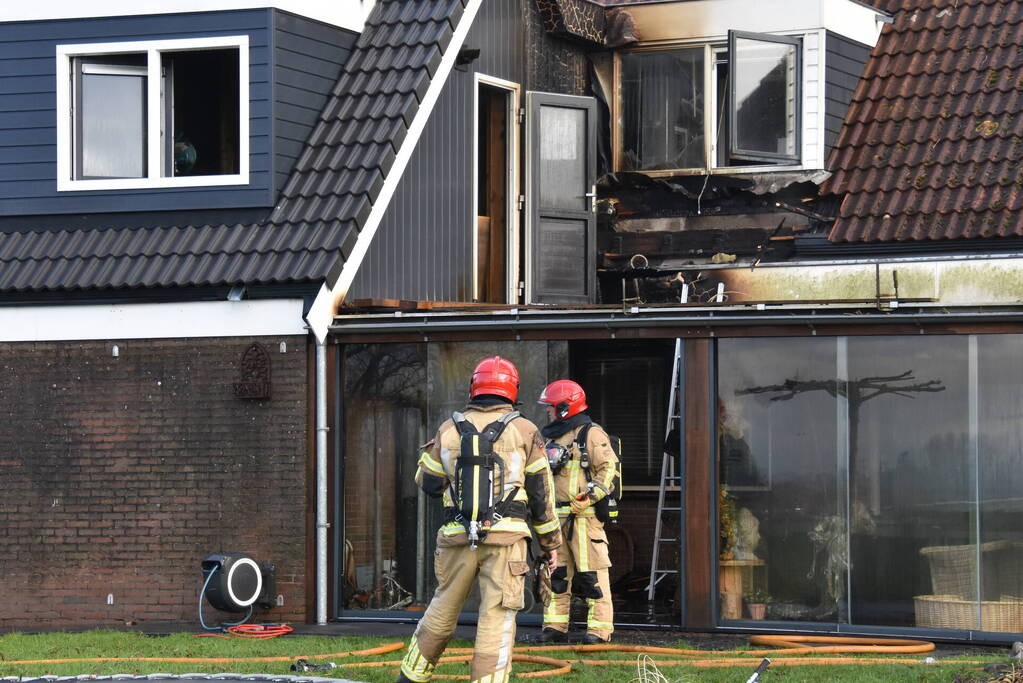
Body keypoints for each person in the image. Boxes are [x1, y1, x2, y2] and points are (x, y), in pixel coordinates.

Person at [398, 356, 562, 683]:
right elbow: (541, 493)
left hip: (456, 536)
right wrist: (550, 544)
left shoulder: (448, 428)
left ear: (474, 387)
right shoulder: (525, 430)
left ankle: (411, 676)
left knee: (442, 609)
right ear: (512, 390)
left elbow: (428, 483)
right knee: (497, 618)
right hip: (507, 541)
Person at [536, 379, 618, 644]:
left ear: (564, 407)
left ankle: (599, 631)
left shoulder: (591, 434)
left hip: (584, 518)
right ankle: (555, 627)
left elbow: (609, 469)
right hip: (557, 518)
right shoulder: (549, 436)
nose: (547, 410)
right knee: (557, 574)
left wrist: (590, 496)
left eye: (550, 406)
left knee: (592, 574)